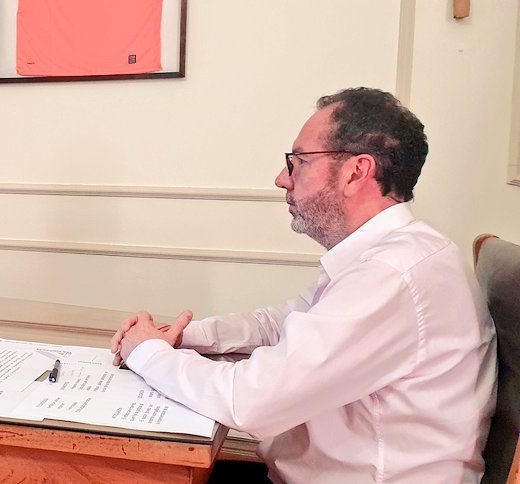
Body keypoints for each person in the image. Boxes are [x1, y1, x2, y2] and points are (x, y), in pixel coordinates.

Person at [111, 87, 496, 483]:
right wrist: (185, 336)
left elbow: (252, 402)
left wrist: (148, 353)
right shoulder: (393, 255)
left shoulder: (393, 274)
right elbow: (280, 324)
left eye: (299, 162)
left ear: (356, 172)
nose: (283, 179)